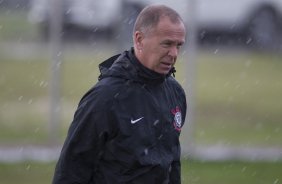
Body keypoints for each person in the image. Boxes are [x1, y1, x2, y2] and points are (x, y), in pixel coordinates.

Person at [52, 4, 187, 184]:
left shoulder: (175, 92)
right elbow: (71, 170)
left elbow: (172, 164)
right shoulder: (105, 97)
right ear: (139, 40)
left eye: (179, 45)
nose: (174, 53)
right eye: (167, 44)